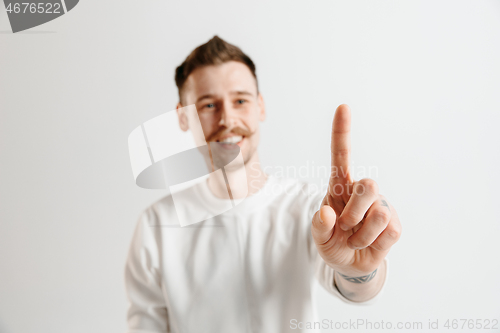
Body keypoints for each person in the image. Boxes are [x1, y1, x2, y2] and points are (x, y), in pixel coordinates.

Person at [124, 35, 402, 333]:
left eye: (240, 100)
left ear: (260, 106)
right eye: (208, 105)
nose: (227, 118)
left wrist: (358, 271)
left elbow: (356, 288)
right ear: (183, 117)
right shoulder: (157, 226)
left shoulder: (310, 207)